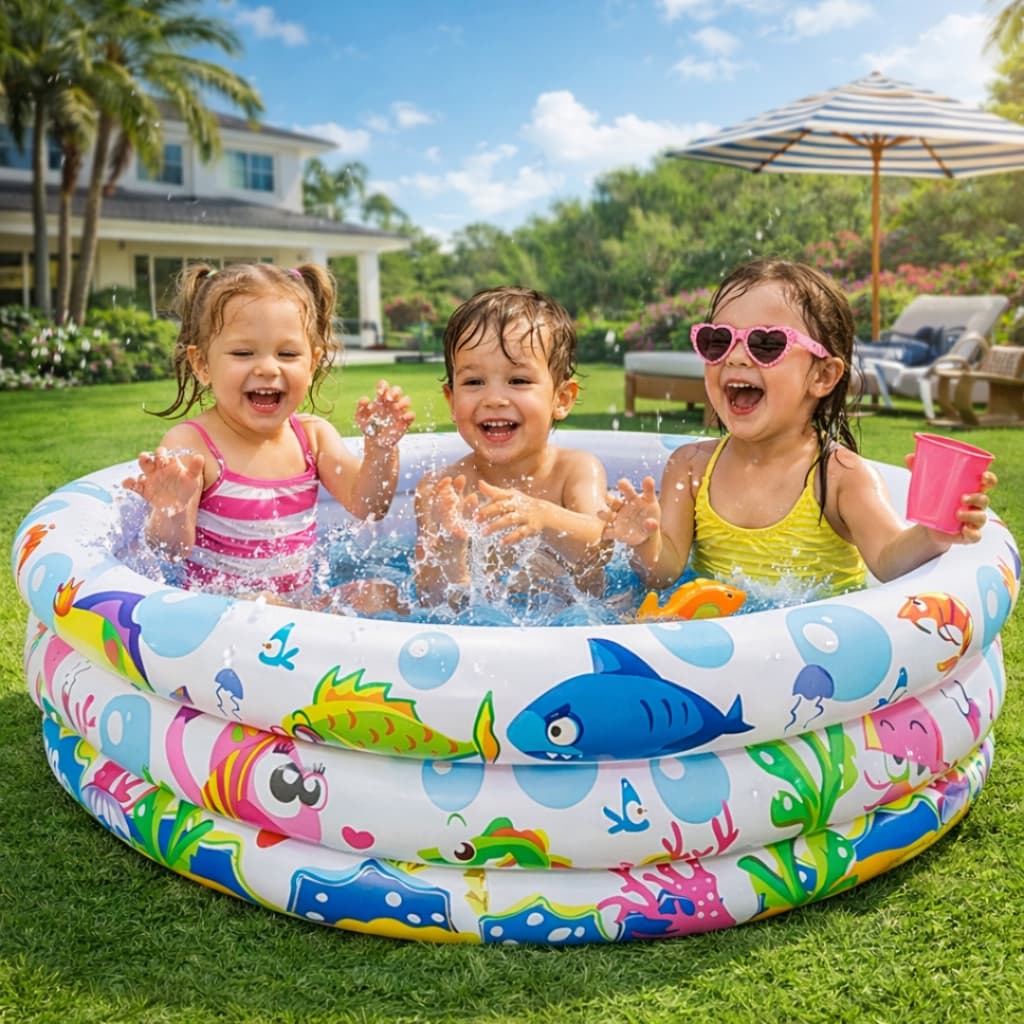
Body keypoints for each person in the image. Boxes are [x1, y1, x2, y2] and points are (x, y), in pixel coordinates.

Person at [603, 258, 996, 600]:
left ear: (823, 376)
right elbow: (664, 573)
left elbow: (889, 558)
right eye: (717, 340)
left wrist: (933, 534)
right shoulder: (690, 467)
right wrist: (644, 541)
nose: (736, 357)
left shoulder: (840, 477)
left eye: (767, 345)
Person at [123, 262, 415, 603]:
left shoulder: (313, 437)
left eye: (288, 353)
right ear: (202, 364)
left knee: (383, 595)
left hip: (301, 613)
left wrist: (381, 449)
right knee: (260, 604)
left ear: (313, 362)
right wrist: (170, 509)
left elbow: (369, 506)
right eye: (243, 353)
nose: (267, 368)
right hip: (226, 617)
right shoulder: (192, 445)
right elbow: (169, 552)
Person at [414, 286, 610, 609]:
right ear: (451, 401)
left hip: (571, 625)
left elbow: (602, 548)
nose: (493, 399)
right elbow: (431, 601)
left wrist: (543, 517)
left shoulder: (575, 471)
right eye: (474, 382)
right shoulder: (439, 490)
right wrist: (449, 552)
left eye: (518, 381)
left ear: (562, 399)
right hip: (481, 629)